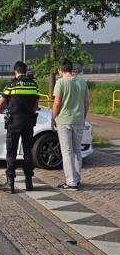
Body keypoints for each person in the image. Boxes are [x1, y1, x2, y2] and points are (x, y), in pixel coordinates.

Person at [0, 61, 39, 193]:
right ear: (25, 71)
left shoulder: (11, 84)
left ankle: (10, 183)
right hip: (29, 121)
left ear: (15, 71)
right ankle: (29, 183)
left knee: (12, 151)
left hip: (14, 122)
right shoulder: (34, 85)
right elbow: (36, 105)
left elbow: (0, 102)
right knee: (27, 151)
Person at [52, 59, 89, 191]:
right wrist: (83, 118)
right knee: (77, 150)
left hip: (64, 120)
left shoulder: (60, 82)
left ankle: (71, 182)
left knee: (67, 152)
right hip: (78, 120)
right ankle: (77, 179)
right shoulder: (82, 82)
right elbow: (86, 103)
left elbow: (57, 103)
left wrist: (53, 118)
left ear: (60, 70)